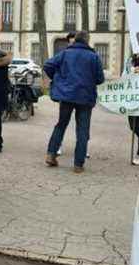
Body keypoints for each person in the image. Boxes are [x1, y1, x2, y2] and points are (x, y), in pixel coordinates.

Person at [43, 31, 104, 173]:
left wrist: (58, 79)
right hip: (85, 97)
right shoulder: (93, 56)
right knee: (82, 130)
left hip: (66, 95)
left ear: (75, 40)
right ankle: (78, 164)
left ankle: (51, 154)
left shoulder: (65, 53)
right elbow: (100, 79)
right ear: (87, 41)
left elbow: (47, 65)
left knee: (61, 124)